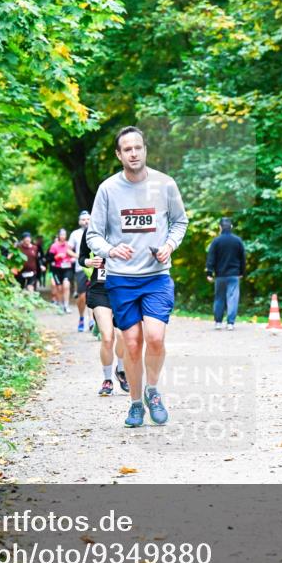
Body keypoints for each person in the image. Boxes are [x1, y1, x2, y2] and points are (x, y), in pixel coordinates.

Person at [85, 126, 189, 428]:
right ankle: (134, 404)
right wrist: (110, 250)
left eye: (138, 148)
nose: (134, 153)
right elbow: (94, 234)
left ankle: (152, 392)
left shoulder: (165, 184)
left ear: (145, 150)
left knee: (155, 338)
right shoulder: (108, 190)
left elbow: (179, 222)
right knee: (131, 344)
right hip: (121, 279)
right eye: (127, 149)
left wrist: (169, 246)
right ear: (119, 155)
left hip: (156, 277)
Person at [79, 224, 129, 396]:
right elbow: (82, 257)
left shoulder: (126, 225)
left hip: (124, 287)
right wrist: (89, 262)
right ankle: (107, 379)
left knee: (123, 335)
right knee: (108, 337)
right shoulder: (92, 229)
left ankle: (121, 371)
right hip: (100, 289)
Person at [205, 217, 246, 331]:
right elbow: (242, 258)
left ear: (220, 227)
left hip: (220, 276)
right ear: (231, 227)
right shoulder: (237, 241)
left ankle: (218, 322)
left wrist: (209, 272)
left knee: (219, 298)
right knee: (232, 298)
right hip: (234, 275)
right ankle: (230, 323)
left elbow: (211, 258)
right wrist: (242, 272)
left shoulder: (216, 241)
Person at [68, 211, 92, 332]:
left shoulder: (96, 231)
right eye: (83, 219)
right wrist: (80, 256)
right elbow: (68, 250)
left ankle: (92, 320)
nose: (86, 221)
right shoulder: (75, 234)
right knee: (82, 296)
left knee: (93, 294)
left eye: (88, 219)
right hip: (81, 268)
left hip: (96, 268)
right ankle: (82, 317)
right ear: (79, 221)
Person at [48, 228, 77, 313]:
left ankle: (66, 305)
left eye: (64, 235)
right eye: (61, 235)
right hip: (57, 270)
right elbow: (49, 259)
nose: (63, 236)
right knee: (59, 288)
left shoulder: (69, 245)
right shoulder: (54, 246)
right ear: (58, 235)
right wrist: (56, 257)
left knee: (66, 285)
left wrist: (72, 259)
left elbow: (74, 255)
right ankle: (60, 304)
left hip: (67, 269)